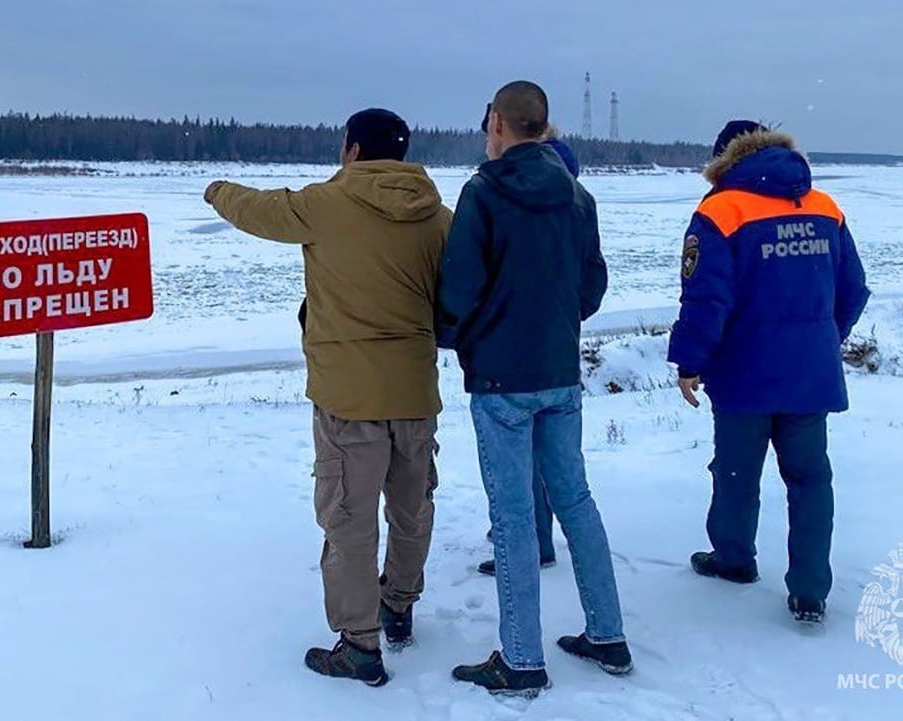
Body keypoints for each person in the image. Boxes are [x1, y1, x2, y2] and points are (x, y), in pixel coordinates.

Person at [204, 108, 452, 686]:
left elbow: (257, 210)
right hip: (415, 390)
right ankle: (399, 606)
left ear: (352, 150)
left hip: (348, 396)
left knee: (348, 519)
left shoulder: (323, 205)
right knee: (413, 508)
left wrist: (217, 189)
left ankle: (359, 643)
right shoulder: (439, 217)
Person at [437, 81, 631, 696]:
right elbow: (591, 286)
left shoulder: (483, 193)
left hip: (501, 379)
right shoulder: (576, 196)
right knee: (575, 500)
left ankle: (521, 660)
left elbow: (459, 286)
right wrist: (550, 322)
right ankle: (608, 635)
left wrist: (457, 334)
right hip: (557, 372)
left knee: (516, 515)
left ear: (498, 124)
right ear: (544, 128)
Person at [668, 120, 870, 625]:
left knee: (736, 473)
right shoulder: (824, 206)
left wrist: (691, 360)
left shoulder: (720, 210)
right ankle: (809, 590)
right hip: (809, 374)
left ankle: (734, 559)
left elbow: (706, 299)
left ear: (723, 159)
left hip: (744, 373)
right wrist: (822, 338)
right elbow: (854, 289)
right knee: (809, 479)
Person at [473, 119, 581, 578]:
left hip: (513, 352)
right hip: (555, 346)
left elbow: (473, 275)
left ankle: (527, 543)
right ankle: (534, 539)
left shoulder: (503, 185)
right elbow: (589, 277)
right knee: (561, 474)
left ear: (500, 130)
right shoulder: (566, 179)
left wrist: (470, 331)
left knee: (522, 466)